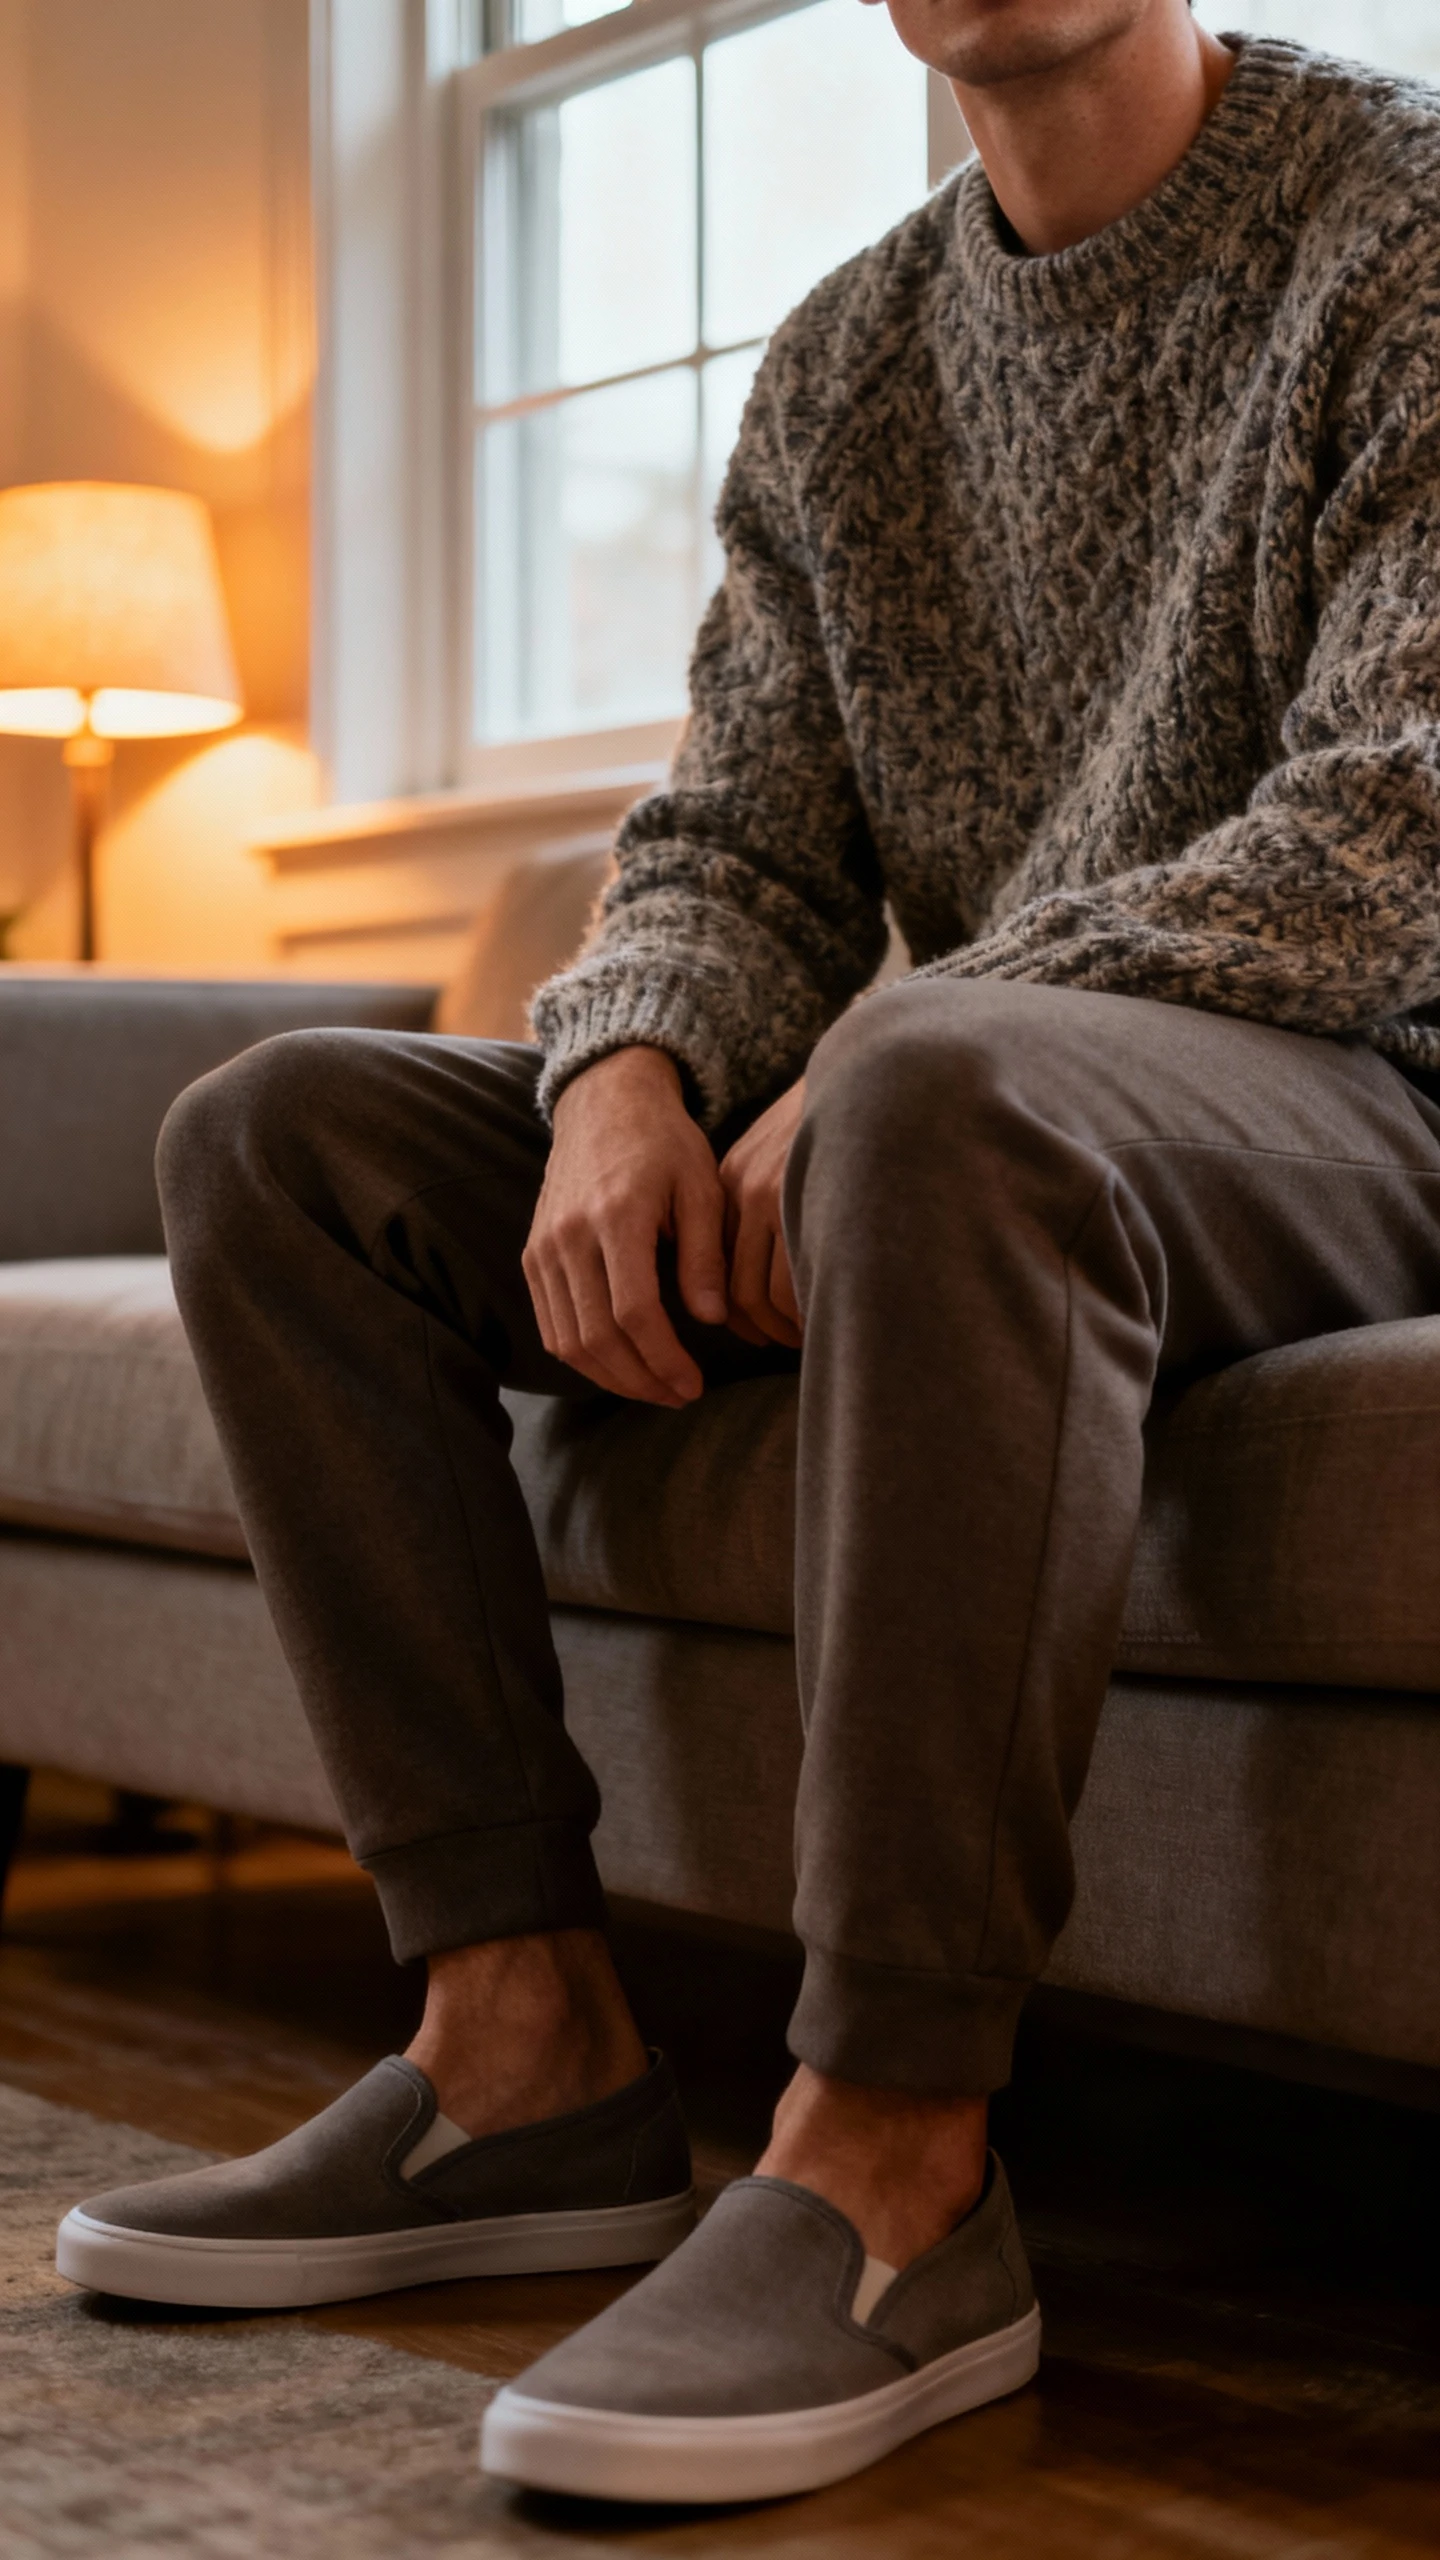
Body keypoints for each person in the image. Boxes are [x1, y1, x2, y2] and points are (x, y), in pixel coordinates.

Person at [56, 0, 1440, 2506]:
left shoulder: (1403, 224)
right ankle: (521, 2053)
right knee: (280, 1139)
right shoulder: (842, 362)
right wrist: (623, 1079)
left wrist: (916, 1051)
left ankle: (896, 2163)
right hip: (984, 1109)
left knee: (931, 1085)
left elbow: (1395, 824)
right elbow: (734, 842)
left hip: (1369, 1088)